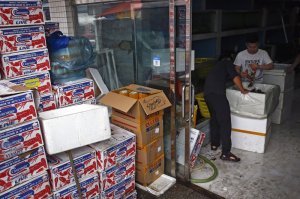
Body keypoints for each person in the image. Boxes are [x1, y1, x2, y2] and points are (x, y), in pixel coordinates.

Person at [204, 54, 248, 162]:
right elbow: (235, 77)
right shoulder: (227, 62)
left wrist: (240, 74)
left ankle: (214, 144)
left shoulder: (216, 67)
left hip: (207, 95)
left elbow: (233, 75)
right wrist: (243, 90)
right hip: (218, 95)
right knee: (225, 122)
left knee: (214, 118)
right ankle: (226, 153)